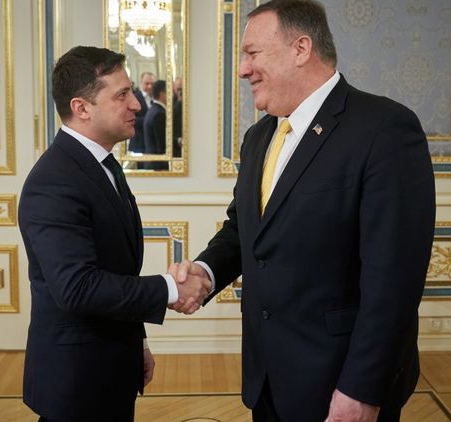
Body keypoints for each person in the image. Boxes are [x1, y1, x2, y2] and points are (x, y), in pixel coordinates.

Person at [171, 1, 436, 421]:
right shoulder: (259, 137)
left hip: (339, 383)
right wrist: (205, 272)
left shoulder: (384, 129)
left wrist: (361, 388)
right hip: (266, 378)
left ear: (301, 48)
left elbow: (394, 280)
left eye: (252, 53)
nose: (243, 69)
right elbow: (245, 230)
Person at [18, 46, 209, 421]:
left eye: (132, 91)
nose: (136, 104)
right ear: (81, 107)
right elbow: (77, 287)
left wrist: (137, 340)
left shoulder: (102, 164)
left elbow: (116, 270)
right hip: (77, 380)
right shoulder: (53, 181)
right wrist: (171, 289)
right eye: (121, 94)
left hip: (108, 364)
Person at [128, 71, 156, 155]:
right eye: (147, 83)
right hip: (139, 142)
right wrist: (150, 120)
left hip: (152, 144)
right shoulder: (134, 98)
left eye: (152, 84)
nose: (150, 86)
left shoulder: (155, 98)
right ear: (141, 83)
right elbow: (132, 119)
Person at [144, 80, 169, 170]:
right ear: (162, 94)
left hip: (151, 162)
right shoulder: (159, 114)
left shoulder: (152, 110)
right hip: (158, 166)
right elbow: (162, 145)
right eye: (169, 92)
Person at [172, 77, 183, 157]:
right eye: (178, 89)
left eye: (182, 89)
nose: (180, 92)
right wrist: (179, 102)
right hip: (175, 142)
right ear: (173, 88)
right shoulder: (171, 100)